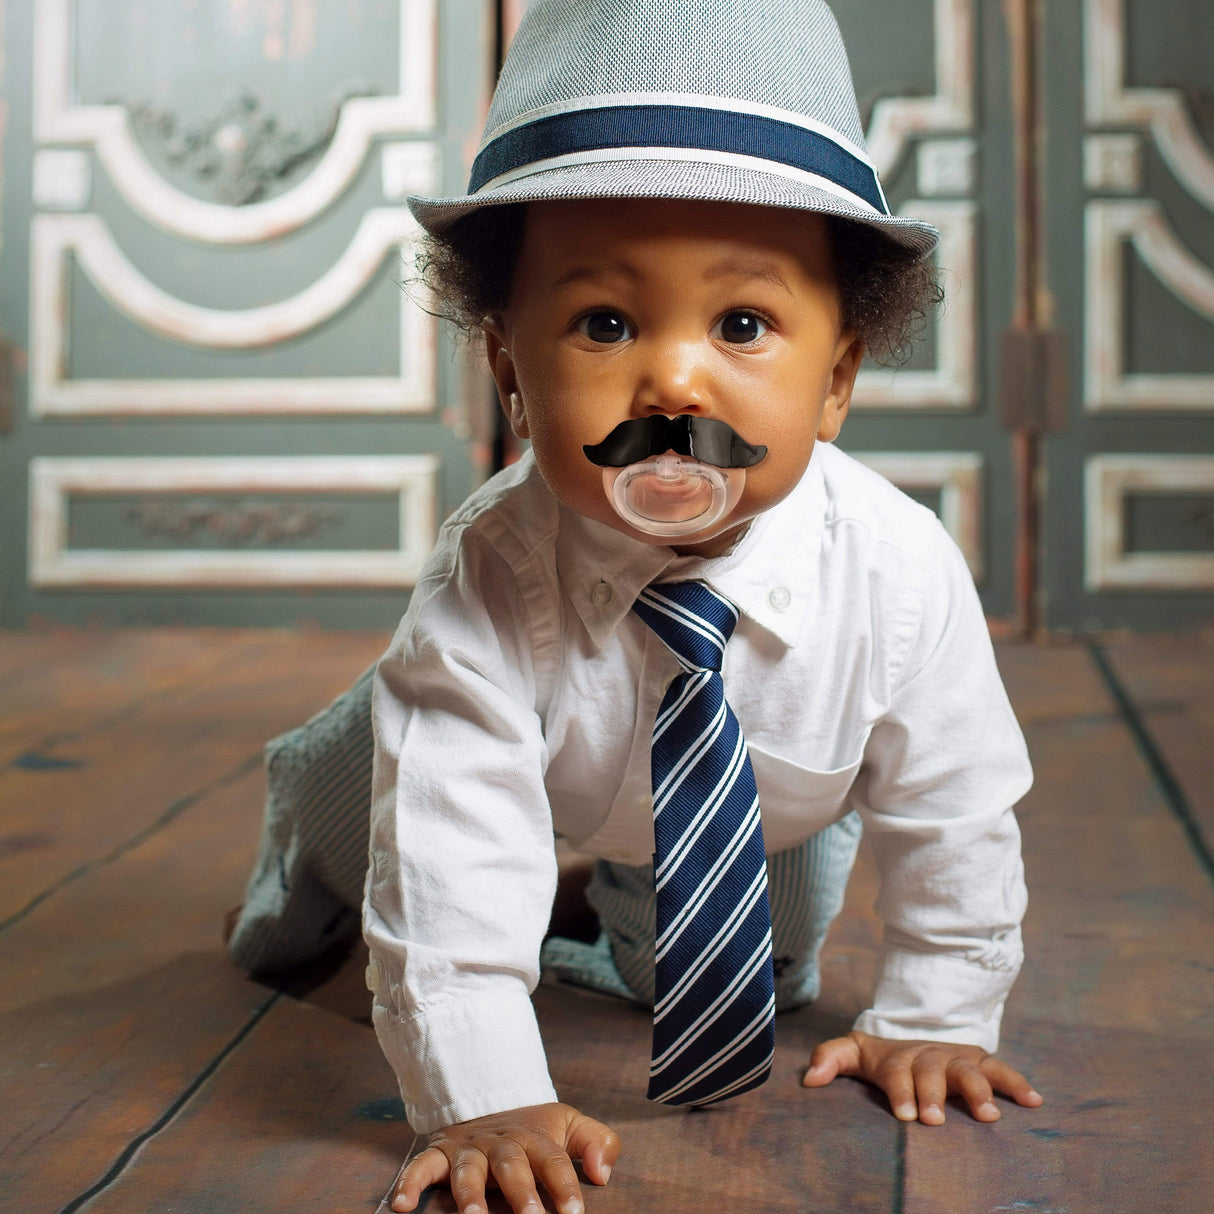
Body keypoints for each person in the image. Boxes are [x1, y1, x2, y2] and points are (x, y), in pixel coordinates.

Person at [226, 3, 1044, 1212]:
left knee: (739, 972)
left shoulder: (898, 568)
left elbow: (953, 805)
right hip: (529, 746)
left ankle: (606, 902)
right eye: (604, 323)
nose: (669, 376)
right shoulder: (488, 574)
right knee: (377, 820)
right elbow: (446, 858)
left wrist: (933, 1014)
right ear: (509, 369)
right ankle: (306, 835)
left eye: (742, 324)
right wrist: (485, 1090)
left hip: (774, 791)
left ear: (834, 380)